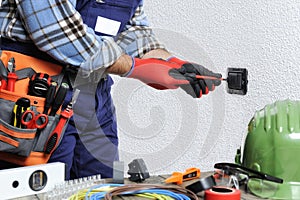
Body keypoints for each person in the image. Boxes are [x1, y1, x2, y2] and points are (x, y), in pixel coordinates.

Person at [0, 0, 222, 180]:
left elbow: (135, 32)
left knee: (106, 186)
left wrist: (171, 64)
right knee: (42, 190)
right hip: (36, 94)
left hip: (94, 99)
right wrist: (136, 68)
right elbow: (55, 31)